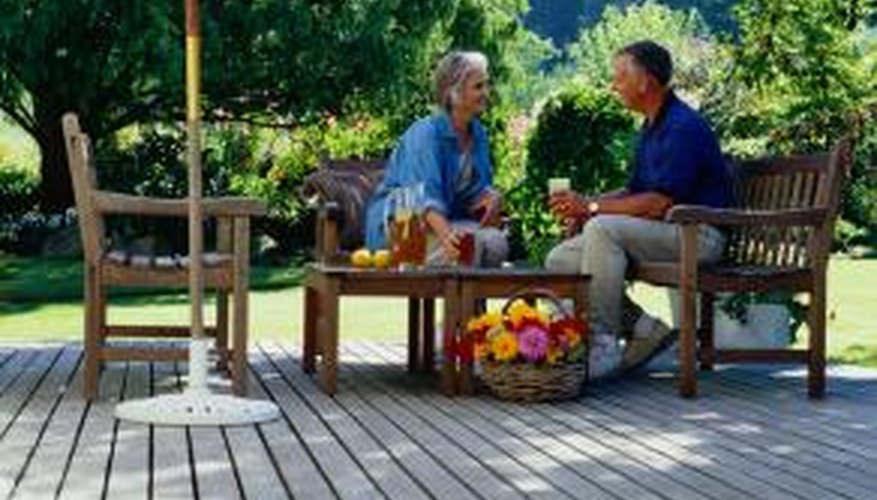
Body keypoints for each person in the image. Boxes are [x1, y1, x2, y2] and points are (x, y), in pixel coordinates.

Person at [546, 40, 732, 375]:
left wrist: (590, 208)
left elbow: (658, 202)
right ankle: (647, 329)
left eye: (620, 76)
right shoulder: (651, 125)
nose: (614, 85)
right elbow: (634, 192)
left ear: (645, 81)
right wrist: (585, 204)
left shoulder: (681, 127)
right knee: (560, 259)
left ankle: (601, 342)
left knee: (601, 228)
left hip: (698, 235)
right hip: (668, 232)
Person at [365, 50, 507, 267]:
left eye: (487, 85)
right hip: (402, 228)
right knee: (469, 247)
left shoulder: (478, 135)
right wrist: (448, 235)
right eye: (478, 87)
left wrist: (491, 200)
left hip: (447, 223)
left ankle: (467, 293)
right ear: (453, 92)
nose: (486, 92)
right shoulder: (426, 134)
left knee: (497, 244)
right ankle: (460, 298)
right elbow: (423, 198)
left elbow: (474, 198)